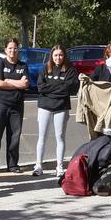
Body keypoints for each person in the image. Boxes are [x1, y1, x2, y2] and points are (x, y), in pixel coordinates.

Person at [32, 43, 77, 177]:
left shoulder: (70, 70)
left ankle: (59, 167)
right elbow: (40, 87)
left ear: (64, 56)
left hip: (61, 107)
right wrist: (58, 87)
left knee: (60, 137)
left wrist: (51, 88)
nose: (58, 57)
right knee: (42, 137)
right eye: (56, 55)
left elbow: (69, 89)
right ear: (52, 56)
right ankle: (38, 165)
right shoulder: (45, 68)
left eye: (61, 55)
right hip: (45, 106)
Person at [0, 38, 29, 173]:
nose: (13, 51)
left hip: (17, 106)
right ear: (5, 50)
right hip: (0, 105)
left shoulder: (23, 66)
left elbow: (26, 84)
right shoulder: (0, 63)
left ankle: (12, 165)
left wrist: (8, 80)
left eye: (15, 48)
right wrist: (18, 83)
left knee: (14, 137)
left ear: (18, 50)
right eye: (10, 48)